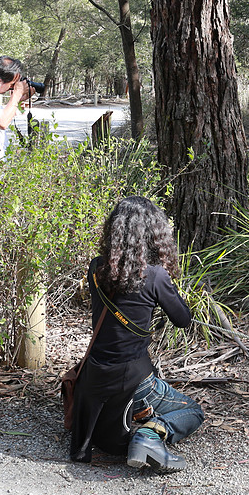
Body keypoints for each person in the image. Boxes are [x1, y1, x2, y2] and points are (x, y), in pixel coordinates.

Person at [69, 197, 204, 473]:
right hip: (134, 381)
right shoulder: (155, 276)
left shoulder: (96, 268)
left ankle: (135, 421)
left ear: (114, 231)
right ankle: (150, 434)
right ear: (155, 235)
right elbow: (183, 320)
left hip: (94, 376)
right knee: (193, 411)